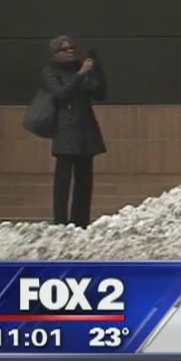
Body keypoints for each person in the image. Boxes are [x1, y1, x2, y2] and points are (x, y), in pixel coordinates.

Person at [41, 35, 108, 227]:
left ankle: (81, 221)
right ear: (55, 54)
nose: (71, 51)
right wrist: (80, 74)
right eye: (65, 49)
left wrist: (97, 70)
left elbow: (100, 93)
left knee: (85, 179)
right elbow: (61, 95)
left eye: (72, 48)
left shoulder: (82, 69)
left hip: (85, 128)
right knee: (63, 178)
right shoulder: (50, 72)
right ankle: (60, 221)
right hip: (65, 130)